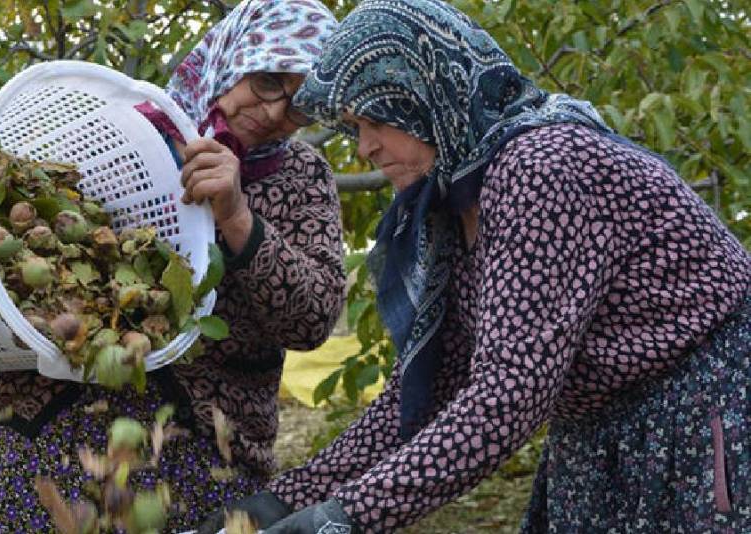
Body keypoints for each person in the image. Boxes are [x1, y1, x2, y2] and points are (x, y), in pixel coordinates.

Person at [199, 0, 751, 532]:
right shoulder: (451, 205)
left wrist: (345, 517)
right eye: (352, 127)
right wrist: (276, 503)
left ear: (422, 97)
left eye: (374, 121)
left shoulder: (542, 168)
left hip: (701, 419)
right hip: (603, 437)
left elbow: (507, 396)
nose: (364, 147)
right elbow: (423, 395)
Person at [0, 1, 345, 532]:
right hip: (40, 436)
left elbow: (313, 320)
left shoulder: (301, 176)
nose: (278, 112)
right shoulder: (120, 136)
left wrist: (238, 218)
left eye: (302, 105)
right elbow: (7, 259)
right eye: (267, 81)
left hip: (199, 456)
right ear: (233, 58)